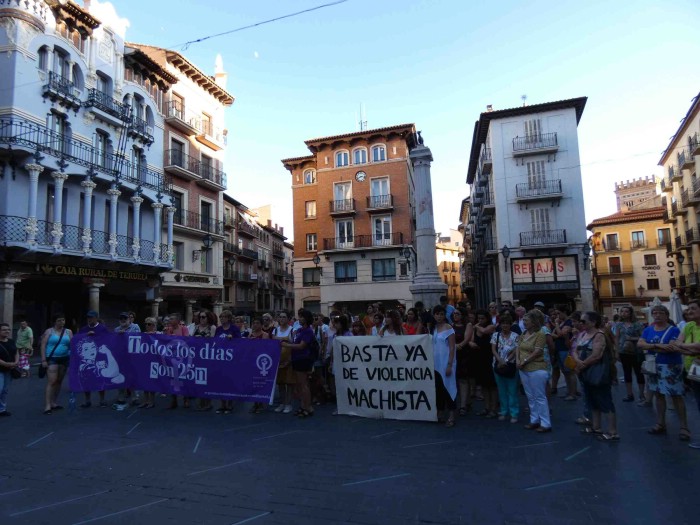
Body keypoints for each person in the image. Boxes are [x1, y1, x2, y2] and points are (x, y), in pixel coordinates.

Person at [638, 305, 689, 441]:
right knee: (658, 395)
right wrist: (657, 346)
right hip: (654, 366)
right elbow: (640, 344)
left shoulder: (674, 330)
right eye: (654, 313)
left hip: (670, 365)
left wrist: (650, 347)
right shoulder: (648, 329)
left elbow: (671, 348)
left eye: (660, 313)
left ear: (666, 315)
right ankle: (661, 423)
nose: (657, 315)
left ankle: (684, 427)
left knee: (676, 396)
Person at [573, 311, 618, 441]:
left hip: (597, 372)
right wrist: (578, 361)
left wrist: (582, 364)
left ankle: (613, 432)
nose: (581, 323)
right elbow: (575, 350)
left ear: (593, 322)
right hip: (586, 372)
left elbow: (597, 355)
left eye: (583, 321)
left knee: (605, 400)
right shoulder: (583, 334)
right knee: (592, 399)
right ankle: (596, 427)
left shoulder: (599, 335)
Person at [669, 298, 700, 449]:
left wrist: (684, 347)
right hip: (694, 371)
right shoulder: (688, 326)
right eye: (688, 309)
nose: (689, 312)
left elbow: (698, 346)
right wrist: (690, 348)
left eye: (693, 309)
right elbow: (676, 343)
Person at [516, 310, 551, 432]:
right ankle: (534, 419)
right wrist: (517, 361)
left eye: (526, 320)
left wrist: (524, 361)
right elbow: (518, 348)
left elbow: (538, 351)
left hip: (536, 368)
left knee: (539, 396)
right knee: (530, 396)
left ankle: (545, 423)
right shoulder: (524, 333)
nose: (524, 322)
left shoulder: (540, 334)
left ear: (533, 322)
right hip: (523, 368)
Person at [281, 308, 315, 418]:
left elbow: (301, 346)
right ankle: (303, 406)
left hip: (303, 359)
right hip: (296, 358)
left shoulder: (308, 331)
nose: (299, 319)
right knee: (300, 385)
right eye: (299, 316)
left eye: (302, 317)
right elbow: (295, 342)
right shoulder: (300, 330)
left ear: (307, 318)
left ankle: (308, 407)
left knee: (304, 384)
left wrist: (287, 345)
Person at [40, 314, 72, 415]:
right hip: (52, 358)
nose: (62, 322)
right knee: (52, 381)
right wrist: (43, 360)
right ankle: (47, 405)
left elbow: (73, 344)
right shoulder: (49, 331)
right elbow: (43, 345)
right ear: (55, 321)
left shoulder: (68, 331)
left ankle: (54, 402)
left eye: (63, 320)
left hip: (64, 358)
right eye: (59, 320)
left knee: (59, 381)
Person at [491, 312, 519, 423]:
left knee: (512, 390)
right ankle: (503, 411)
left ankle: (514, 413)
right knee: (501, 390)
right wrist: (500, 360)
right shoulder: (495, 335)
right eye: (503, 323)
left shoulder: (515, 336)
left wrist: (506, 361)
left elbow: (516, 349)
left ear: (510, 324)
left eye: (507, 323)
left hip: (510, 365)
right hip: (497, 365)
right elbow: (493, 349)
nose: (505, 326)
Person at [78, 311, 110, 408]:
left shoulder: (102, 328)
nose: (90, 319)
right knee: (86, 379)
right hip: (87, 358)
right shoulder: (84, 329)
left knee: (100, 377)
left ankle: (102, 400)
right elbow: (78, 340)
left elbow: (108, 340)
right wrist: (85, 335)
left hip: (99, 356)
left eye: (91, 317)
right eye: (88, 317)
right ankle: (87, 400)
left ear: (96, 318)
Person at [431, 305, 457, 427]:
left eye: (441, 314)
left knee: (449, 388)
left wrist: (449, 365)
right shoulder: (433, 328)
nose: (439, 316)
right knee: (439, 389)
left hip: (447, 362)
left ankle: (452, 415)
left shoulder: (449, 328)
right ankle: (440, 412)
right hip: (436, 364)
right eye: (437, 314)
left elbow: (452, 348)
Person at [614, 306, 645, 403]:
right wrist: (617, 352)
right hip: (624, 352)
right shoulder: (619, 325)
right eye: (622, 311)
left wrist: (632, 339)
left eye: (626, 311)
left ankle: (641, 394)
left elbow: (643, 337)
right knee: (627, 373)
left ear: (631, 313)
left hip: (637, 352)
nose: (624, 313)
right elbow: (617, 338)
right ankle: (629, 394)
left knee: (639, 373)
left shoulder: (638, 324)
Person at [472, 309, 498, 417]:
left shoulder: (491, 326)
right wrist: (470, 343)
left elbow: (484, 331)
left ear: (487, 319)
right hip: (479, 358)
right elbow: (472, 339)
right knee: (484, 385)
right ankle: (487, 407)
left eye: (482, 318)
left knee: (492, 385)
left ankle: (494, 408)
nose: (480, 320)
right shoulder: (476, 329)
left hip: (489, 358)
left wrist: (476, 326)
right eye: (478, 318)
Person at [163, 313, 189, 409]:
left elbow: (187, 340)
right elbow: (165, 342)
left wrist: (175, 337)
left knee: (183, 379)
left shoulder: (183, 328)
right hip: (171, 357)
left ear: (178, 320)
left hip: (182, 357)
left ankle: (186, 400)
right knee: (172, 379)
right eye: (169, 318)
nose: (170, 320)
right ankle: (173, 400)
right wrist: (166, 334)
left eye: (172, 319)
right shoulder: (168, 329)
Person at [551, 306, 577, 400]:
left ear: (564, 312)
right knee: (565, 372)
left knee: (570, 372)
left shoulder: (568, 322)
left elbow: (560, 334)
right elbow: (553, 333)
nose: (557, 316)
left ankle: (573, 393)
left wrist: (557, 324)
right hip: (560, 349)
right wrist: (558, 332)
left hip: (565, 349)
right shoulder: (562, 323)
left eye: (558, 313)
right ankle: (569, 392)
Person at [193, 311, 216, 411]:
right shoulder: (196, 327)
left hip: (208, 356)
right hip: (197, 357)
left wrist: (205, 338)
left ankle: (208, 402)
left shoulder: (212, 328)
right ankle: (201, 400)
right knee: (199, 379)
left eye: (204, 317)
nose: (201, 319)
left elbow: (214, 342)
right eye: (200, 317)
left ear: (208, 318)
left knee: (208, 380)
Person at [272, 312, 295, 413]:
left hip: (289, 358)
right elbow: (273, 341)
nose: (282, 319)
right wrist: (285, 339)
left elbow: (293, 343)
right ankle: (282, 403)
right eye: (280, 317)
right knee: (280, 383)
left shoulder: (292, 329)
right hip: (278, 358)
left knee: (289, 383)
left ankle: (288, 404)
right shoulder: (275, 330)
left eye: (284, 317)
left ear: (288, 319)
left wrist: (279, 339)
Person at [247, 317, 271, 414]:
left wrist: (256, 342)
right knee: (253, 383)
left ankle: (261, 403)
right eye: (254, 323)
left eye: (257, 323)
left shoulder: (265, 335)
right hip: (253, 361)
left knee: (261, 382)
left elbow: (267, 348)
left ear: (261, 325)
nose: (255, 325)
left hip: (261, 361)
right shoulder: (250, 335)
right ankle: (255, 403)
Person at [453, 308, 473, 416]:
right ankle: (464, 401)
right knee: (456, 379)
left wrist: (459, 345)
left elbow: (467, 338)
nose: (455, 315)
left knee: (463, 380)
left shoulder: (468, 325)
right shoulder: (451, 325)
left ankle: (463, 405)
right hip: (454, 354)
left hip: (464, 354)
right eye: (454, 314)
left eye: (458, 314)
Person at [138, 317, 160, 409]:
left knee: (152, 380)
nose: (147, 326)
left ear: (154, 325)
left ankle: (152, 400)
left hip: (155, 360)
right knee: (144, 380)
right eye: (146, 324)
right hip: (145, 360)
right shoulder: (143, 335)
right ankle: (145, 400)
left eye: (149, 324)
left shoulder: (159, 334)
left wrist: (154, 335)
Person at [0, 323, 18, 416]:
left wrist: (16, 361)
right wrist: (7, 364)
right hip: (1, 369)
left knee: (5, 390)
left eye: (8, 329)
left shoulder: (11, 341)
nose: (7, 331)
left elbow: (16, 352)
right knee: (0, 389)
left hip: (9, 370)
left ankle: (2, 409)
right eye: (4, 330)